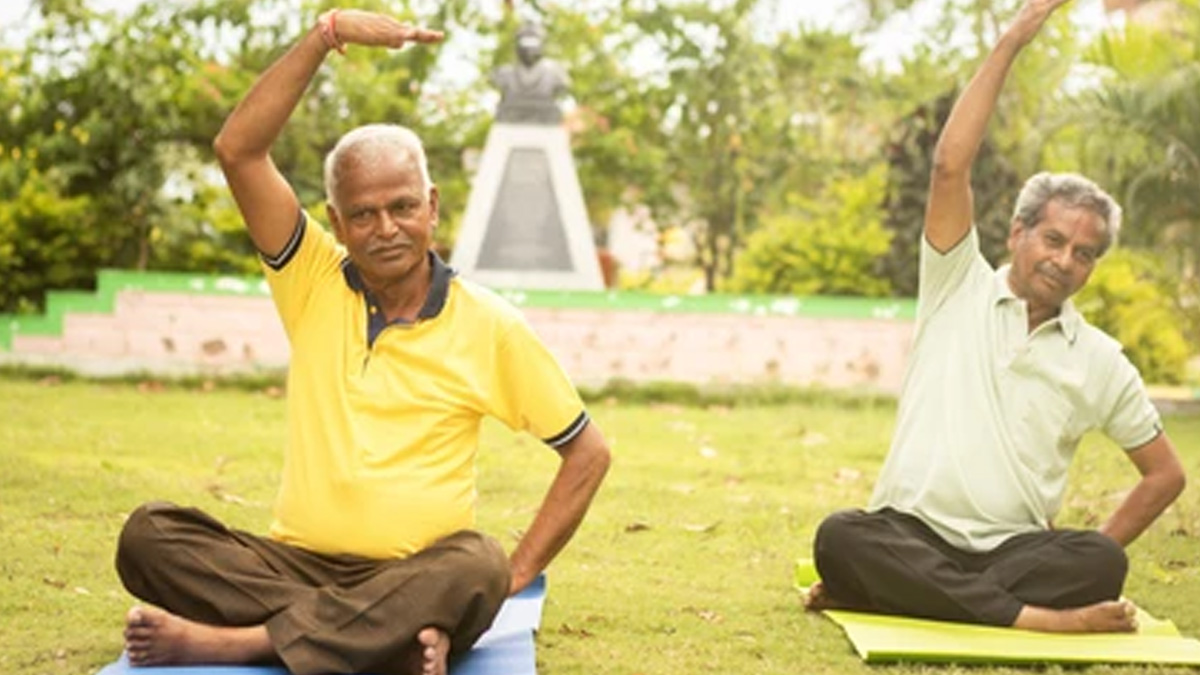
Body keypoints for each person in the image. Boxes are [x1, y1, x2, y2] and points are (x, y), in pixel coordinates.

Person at [113, 9, 611, 675]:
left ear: (432, 205)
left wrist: (509, 582)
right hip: (296, 564)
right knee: (149, 535)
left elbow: (587, 452)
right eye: (365, 213)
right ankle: (384, 640)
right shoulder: (311, 277)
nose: (387, 228)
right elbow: (238, 150)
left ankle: (247, 641)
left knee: (478, 562)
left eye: (403, 206)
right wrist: (326, 36)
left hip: (418, 570)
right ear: (338, 223)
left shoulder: (489, 323)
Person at [807, 0, 1185, 634]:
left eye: (1084, 253)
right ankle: (1034, 619)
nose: (1065, 260)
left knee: (1097, 559)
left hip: (1013, 552)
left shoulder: (1099, 359)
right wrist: (1011, 41)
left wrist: (1101, 542)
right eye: (1054, 240)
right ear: (1017, 233)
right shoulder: (957, 284)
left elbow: (1165, 474)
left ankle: (898, 595)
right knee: (841, 536)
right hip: (910, 532)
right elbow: (950, 166)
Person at [489, 21, 570, 125]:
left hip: (546, 118)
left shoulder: (556, 73)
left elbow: (564, 85)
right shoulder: (504, 73)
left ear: (542, 44)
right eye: (525, 41)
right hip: (509, 119)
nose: (529, 48)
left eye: (534, 41)